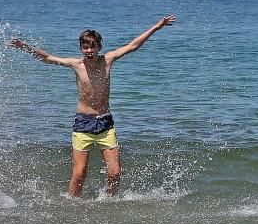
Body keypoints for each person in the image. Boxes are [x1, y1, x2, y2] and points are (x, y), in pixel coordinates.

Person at [11, 15, 177, 197]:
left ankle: (108, 200)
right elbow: (48, 58)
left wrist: (157, 27)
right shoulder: (76, 64)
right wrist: (26, 47)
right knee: (80, 173)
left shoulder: (108, 60)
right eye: (85, 47)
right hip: (83, 123)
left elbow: (132, 46)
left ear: (99, 47)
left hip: (105, 123)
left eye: (92, 46)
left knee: (115, 173)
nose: (89, 50)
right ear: (81, 48)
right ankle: (72, 204)